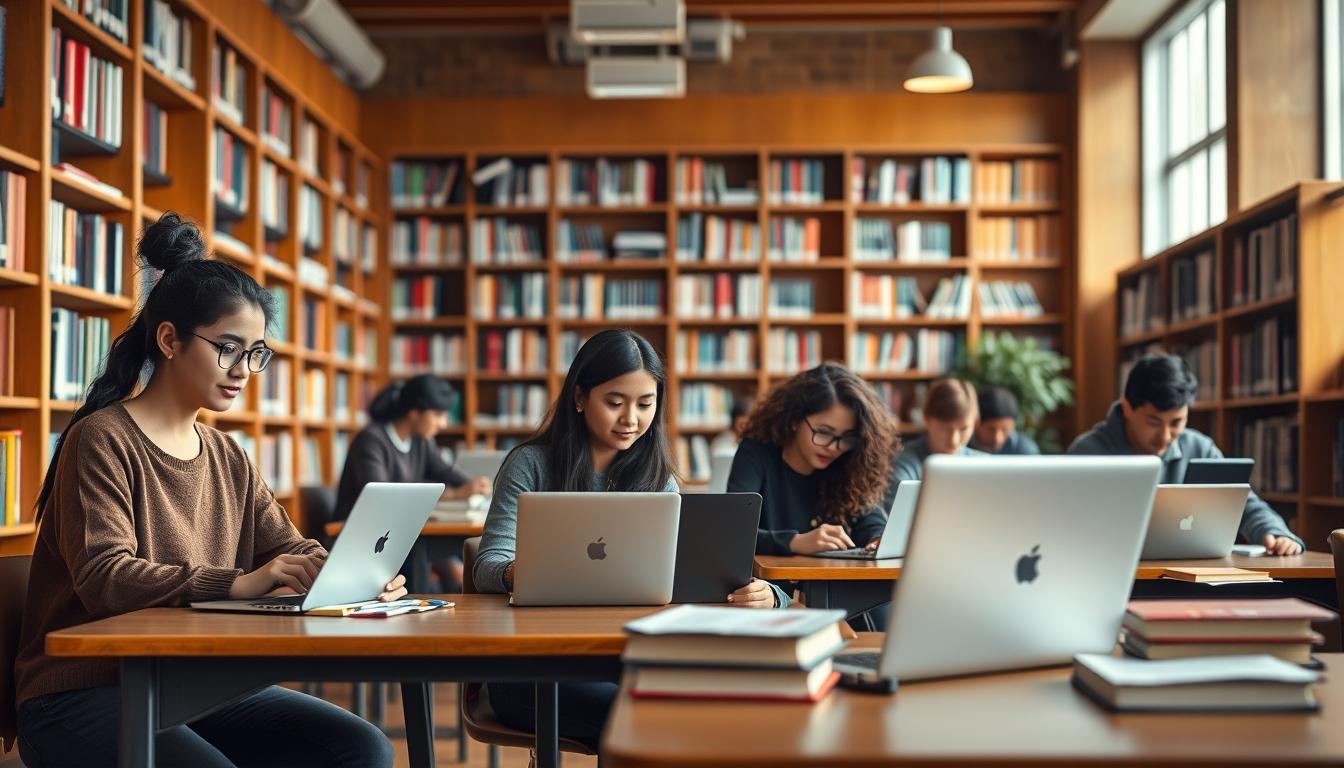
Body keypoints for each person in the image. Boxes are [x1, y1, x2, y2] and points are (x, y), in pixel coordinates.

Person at [14, 213, 400, 768]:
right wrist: (238, 584)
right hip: (83, 693)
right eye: (229, 348)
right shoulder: (100, 439)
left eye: (256, 353)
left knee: (361, 747)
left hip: (189, 681)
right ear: (168, 338)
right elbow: (106, 578)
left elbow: (289, 550)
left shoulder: (225, 453)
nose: (244, 369)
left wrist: (354, 576)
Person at [473, 329, 785, 752]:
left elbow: (692, 573)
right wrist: (520, 572)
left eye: (645, 404)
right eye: (614, 403)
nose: (631, 420)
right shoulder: (530, 465)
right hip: (535, 667)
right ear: (580, 397)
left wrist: (770, 595)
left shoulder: (660, 479)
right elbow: (487, 564)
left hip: (629, 659)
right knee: (646, 715)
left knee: (703, 706)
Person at [1068, 354, 1303, 555]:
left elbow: (1245, 505)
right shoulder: (1088, 453)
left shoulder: (1200, 449)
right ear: (1127, 408)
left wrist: (1275, 533)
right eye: (1153, 421)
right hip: (1111, 570)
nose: (1166, 435)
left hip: (1189, 573)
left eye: (1177, 422)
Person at [334, 375, 491, 590]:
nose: (443, 423)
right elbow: (383, 498)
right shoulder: (371, 440)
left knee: (458, 571)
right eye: (438, 415)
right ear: (414, 413)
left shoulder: (421, 441)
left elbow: (444, 471)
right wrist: (455, 494)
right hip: (370, 540)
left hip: (401, 535)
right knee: (446, 575)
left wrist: (474, 485)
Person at [727, 363, 899, 557]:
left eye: (847, 437)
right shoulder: (756, 453)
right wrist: (795, 542)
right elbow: (733, 531)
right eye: (824, 432)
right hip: (767, 584)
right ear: (794, 420)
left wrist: (877, 537)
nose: (834, 447)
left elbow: (868, 516)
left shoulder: (849, 461)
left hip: (829, 583)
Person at [888, 378, 988, 497]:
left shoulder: (988, 466)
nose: (954, 441)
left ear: (975, 423)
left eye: (963, 429)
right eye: (944, 428)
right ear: (926, 419)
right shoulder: (902, 465)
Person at [970, 385, 1041, 455]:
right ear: (975, 422)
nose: (997, 438)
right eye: (991, 429)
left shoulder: (1024, 452)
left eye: (1005, 430)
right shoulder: (961, 445)